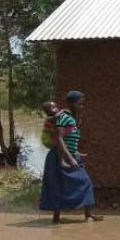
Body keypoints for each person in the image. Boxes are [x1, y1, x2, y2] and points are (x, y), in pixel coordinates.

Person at [39, 90, 101, 224]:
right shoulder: (64, 117)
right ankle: (57, 218)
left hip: (70, 155)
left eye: (83, 104)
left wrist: (76, 153)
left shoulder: (74, 120)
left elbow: (70, 140)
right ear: (72, 104)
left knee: (84, 182)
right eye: (80, 103)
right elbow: (59, 138)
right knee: (59, 186)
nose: (82, 106)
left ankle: (88, 214)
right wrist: (70, 158)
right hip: (58, 156)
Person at [40, 101, 72, 168]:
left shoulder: (56, 117)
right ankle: (61, 161)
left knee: (65, 142)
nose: (57, 108)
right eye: (53, 107)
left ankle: (70, 155)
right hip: (47, 139)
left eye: (56, 106)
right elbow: (56, 116)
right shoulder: (49, 118)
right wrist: (63, 110)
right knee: (60, 144)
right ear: (48, 111)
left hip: (52, 136)